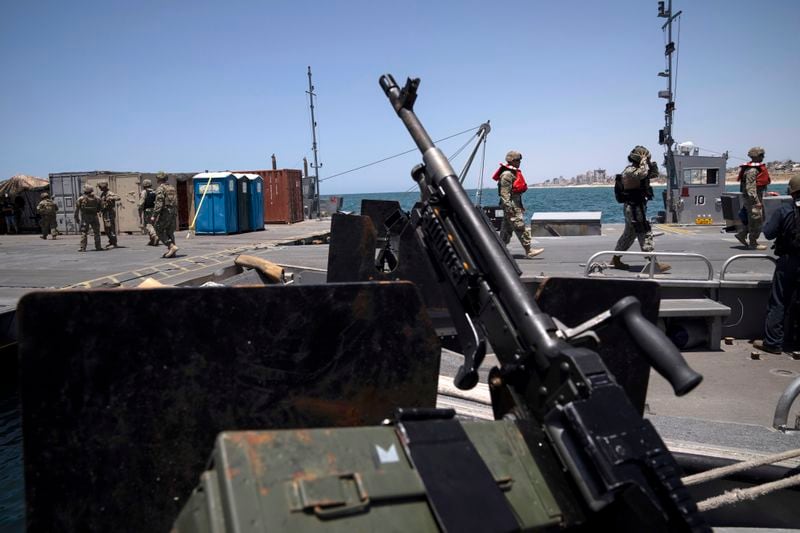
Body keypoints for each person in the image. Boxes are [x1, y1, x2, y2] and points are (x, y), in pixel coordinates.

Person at [753, 175, 800, 354]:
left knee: (779, 302)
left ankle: (773, 343)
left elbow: (769, 233)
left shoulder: (784, 210)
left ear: (791, 192)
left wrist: (766, 215)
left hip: (788, 262)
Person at [611, 145, 671, 273]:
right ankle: (653, 263)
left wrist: (649, 163)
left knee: (629, 234)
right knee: (644, 232)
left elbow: (654, 174)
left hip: (636, 207)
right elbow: (642, 174)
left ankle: (615, 259)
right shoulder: (630, 171)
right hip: (634, 207)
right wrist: (644, 163)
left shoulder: (639, 169)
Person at [492, 150, 543, 258]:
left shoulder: (513, 173)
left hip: (514, 204)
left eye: (520, 160)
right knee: (520, 226)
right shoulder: (506, 175)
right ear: (511, 161)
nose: (519, 162)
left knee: (506, 229)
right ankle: (529, 250)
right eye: (516, 160)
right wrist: (509, 208)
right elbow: (504, 194)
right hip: (511, 206)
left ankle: (499, 250)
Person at [735, 146, 771, 250]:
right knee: (756, 220)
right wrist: (756, 201)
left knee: (757, 219)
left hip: (755, 198)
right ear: (756, 156)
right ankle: (753, 243)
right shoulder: (752, 170)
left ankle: (742, 234)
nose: (763, 157)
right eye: (761, 155)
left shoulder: (754, 168)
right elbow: (750, 188)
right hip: (753, 200)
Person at [151, 172, 179, 258]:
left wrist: (154, 215)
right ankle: (172, 252)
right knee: (170, 231)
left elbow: (159, 203)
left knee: (158, 229)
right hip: (173, 212)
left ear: (158, 179)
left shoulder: (160, 189)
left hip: (165, 212)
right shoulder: (172, 188)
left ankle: (171, 246)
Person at [75, 185, 103, 252]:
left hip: (85, 217)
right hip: (94, 217)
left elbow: (77, 209)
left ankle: (83, 248)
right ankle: (98, 247)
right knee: (97, 232)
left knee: (84, 232)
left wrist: (76, 217)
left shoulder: (80, 198)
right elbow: (101, 207)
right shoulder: (97, 198)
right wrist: (97, 211)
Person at [97, 181, 120, 248]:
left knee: (111, 228)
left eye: (100, 187)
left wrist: (111, 198)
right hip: (105, 213)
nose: (99, 188)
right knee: (107, 229)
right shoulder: (103, 194)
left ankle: (114, 243)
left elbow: (118, 197)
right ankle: (111, 241)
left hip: (109, 213)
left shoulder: (109, 193)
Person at [138, 178, 159, 246]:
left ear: (144, 185)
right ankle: (152, 240)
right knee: (154, 225)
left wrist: (139, 209)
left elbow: (141, 202)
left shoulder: (144, 192)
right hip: (155, 210)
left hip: (147, 210)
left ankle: (154, 236)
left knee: (148, 225)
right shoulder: (154, 191)